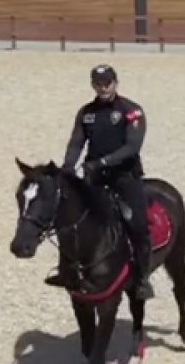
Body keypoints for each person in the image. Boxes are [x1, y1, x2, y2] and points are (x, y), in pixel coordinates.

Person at [55, 63, 155, 300]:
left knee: (138, 225)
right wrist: (68, 166)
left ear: (115, 83)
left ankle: (142, 278)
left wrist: (102, 163)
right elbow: (76, 142)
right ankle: (66, 270)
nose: (103, 88)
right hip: (94, 178)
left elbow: (132, 147)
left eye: (107, 83)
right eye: (98, 84)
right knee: (70, 219)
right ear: (93, 85)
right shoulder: (86, 113)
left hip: (125, 177)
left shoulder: (132, 111)